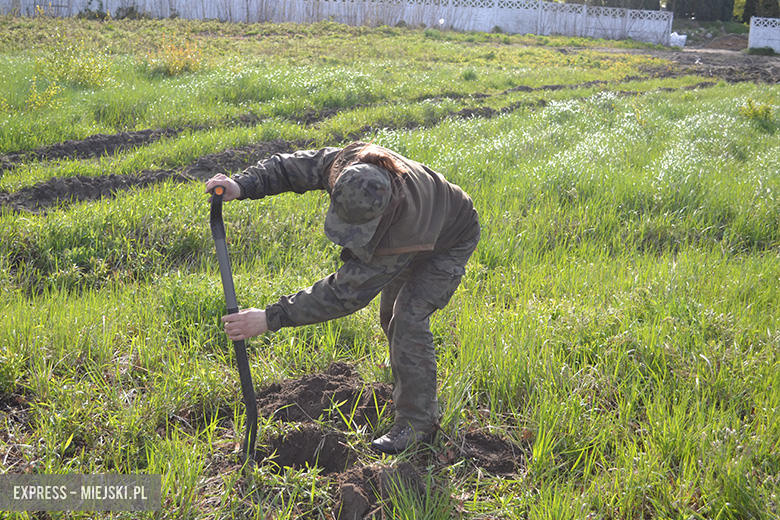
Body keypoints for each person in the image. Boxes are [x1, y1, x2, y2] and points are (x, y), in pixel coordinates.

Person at [204, 141, 480, 454]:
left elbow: (344, 293)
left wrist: (270, 317)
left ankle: (417, 423)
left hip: (452, 236)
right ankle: (410, 387)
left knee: (407, 318)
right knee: (389, 317)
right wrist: (242, 184)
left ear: (384, 211)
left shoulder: (401, 233)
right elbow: (290, 167)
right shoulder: (346, 164)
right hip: (429, 217)